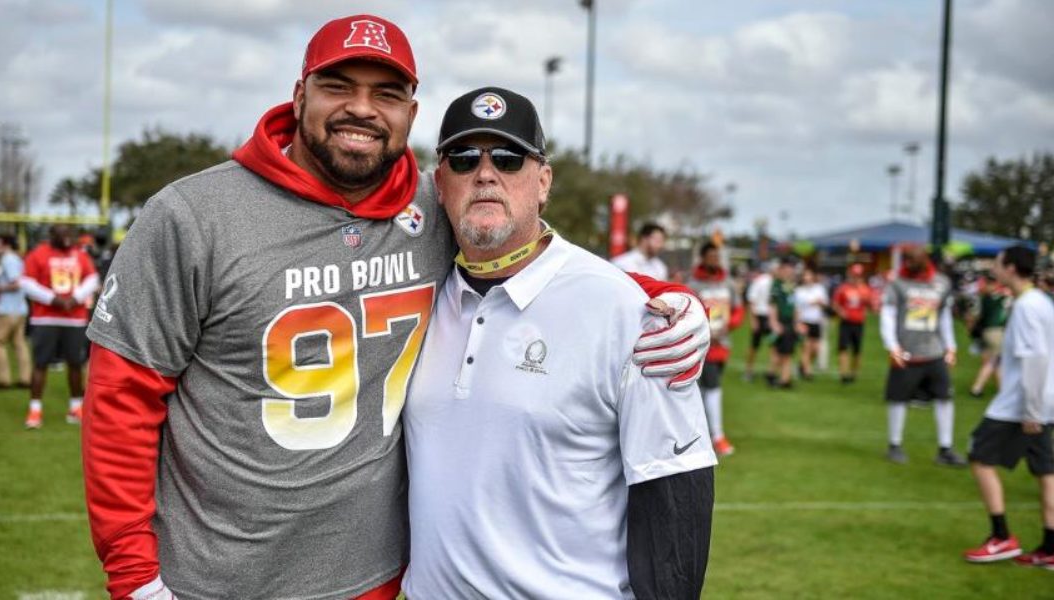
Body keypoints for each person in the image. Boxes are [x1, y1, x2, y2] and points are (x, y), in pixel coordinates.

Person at [80, 15, 710, 600]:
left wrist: (667, 302)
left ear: (410, 111)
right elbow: (120, 400)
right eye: (338, 86)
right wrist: (136, 577)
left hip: (373, 580)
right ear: (299, 96)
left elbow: (538, 257)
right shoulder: (194, 216)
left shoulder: (428, 213)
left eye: (385, 93)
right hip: (218, 578)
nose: (361, 108)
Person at [404, 85, 715, 600]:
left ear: (543, 181)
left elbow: (675, 501)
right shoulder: (421, 299)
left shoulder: (631, 313)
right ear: (439, 184)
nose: (485, 173)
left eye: (507, 158)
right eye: (462, 160)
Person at [962, 245, 1054, 566]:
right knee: (1045, 471)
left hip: (1021, 403)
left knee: (978, 455)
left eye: (999, 263)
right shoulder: (1040, 301)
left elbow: (1036, 358)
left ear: (1012, 268)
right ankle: (1050, 548)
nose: (994, 268)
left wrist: (1031, 409)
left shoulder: (1028, 305)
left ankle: (1001, 537)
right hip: (1042, 399)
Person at [880, 245, 966, 466]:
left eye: (912, 260)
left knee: (944, 397)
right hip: (907, 350)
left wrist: (951, 346)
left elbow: (944, 316)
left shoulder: (941, 283)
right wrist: (893, 346)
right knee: (898, 398)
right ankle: (894, 444)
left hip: (933, 349)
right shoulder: (897, 283)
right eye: (906, 260)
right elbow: (887, 315)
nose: (908, 264)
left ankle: (945, 448)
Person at [20, 224, 98, 429]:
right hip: (45, 318)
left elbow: (92, 278)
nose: (66, 238)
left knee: (75, 363)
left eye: (69, 234)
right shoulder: (39, 253)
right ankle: (35, 409)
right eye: (61, 234)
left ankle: (76, 406)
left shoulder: (79, 255)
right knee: (41, 363)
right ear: (52, 235)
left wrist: (76, 298)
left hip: (74, 318)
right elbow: (26, 283)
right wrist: (52, 299)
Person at [688, 241, 744, 456]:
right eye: (711, 256)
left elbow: (738, 310)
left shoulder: (728, 282)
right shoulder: (693, 283)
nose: (715, 260)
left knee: (704, 389)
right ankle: (718, 437)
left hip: (723, 344)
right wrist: (704, 331)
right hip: (702, 345)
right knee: (712, 388)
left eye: (717, 256)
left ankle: (698, 434)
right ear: (703, 258)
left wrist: (728, 327)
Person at [0, 235, 31, 391]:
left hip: (8, 309)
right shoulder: (17, 259)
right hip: (20, 308)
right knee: (19, 343)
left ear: (5, 244)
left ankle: (3, 379)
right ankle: (25, 378)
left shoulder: (8, 260)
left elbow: (15, 283)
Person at [970, 274, 1010, 398]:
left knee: (994, 361)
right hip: (997, 331)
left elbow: (975, 316)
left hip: (986, 331)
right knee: (995, 361)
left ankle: (1001, 389)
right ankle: (977, 387)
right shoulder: (1003, 297)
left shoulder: (984, 298)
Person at [833, 263, 873, 384]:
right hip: (846, 322)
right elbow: (835, 303)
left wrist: (867, 305)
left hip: (858, 322)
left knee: (857, 350)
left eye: (859, 276)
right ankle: (843, 374)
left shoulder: (865, 289)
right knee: (843, 348)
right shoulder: (843, 288)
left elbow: (870, 306)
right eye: (854, 276)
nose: (856, 278)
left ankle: (853, 373)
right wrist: (841, 312)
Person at [767, 259, 799, 388]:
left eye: (790, 270)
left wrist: (797, 322)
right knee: (784, 352)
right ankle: (784, 380)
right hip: (782, 321)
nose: (789, 272)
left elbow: (794, 305)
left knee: (781, 351)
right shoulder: (776, 285)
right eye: (786, 270)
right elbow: (773, 305)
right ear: (780, 270)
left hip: (789, 321)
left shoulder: (790, 285)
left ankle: (773, 375)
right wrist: (774, 322)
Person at [793, 265, 827, 380]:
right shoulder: (799, 291)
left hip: (816, 321)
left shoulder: (819, 288)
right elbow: (797, 308)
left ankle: (802, 366)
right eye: (805, 275)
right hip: (804, 321)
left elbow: (824, 303)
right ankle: (807, 372)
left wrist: (820, 303)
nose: (807, 277)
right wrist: (797, 322)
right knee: (806, 347)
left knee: (815, 349)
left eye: (809, 275)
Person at [744, 262, 774, 381]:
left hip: (769, 316)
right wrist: (753, 319)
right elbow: (752, 300)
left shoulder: (775, 282)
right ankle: (748, 371)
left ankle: (770, 371)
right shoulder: (760, 281)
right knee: (754, 346)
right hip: (761, 315)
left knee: (774, 345)